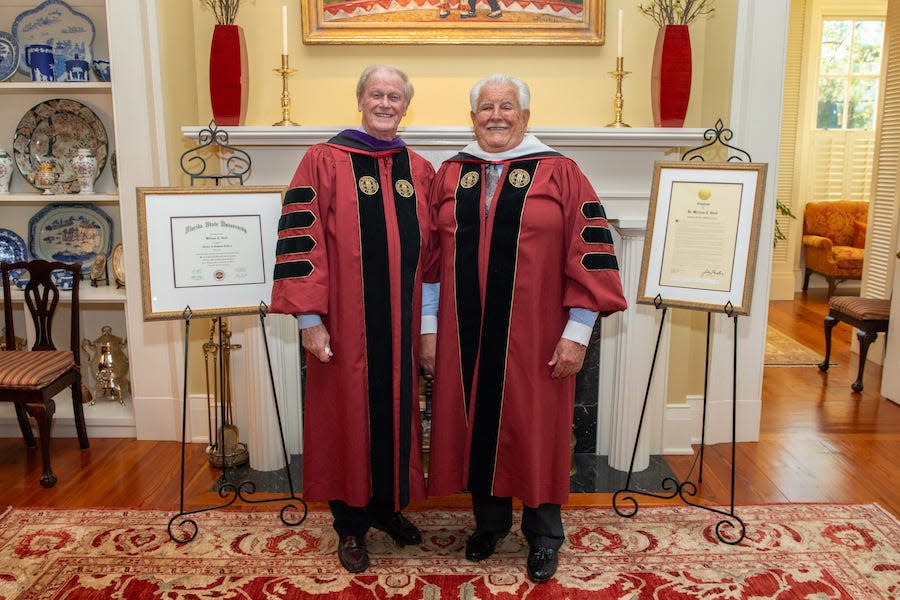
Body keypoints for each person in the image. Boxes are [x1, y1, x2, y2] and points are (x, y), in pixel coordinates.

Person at [422, 74, 627, 584]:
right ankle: (488, 525)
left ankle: (544, 536)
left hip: (536, 336)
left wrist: (578, 332)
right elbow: (428, 261)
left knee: (537, 430)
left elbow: (591, 252)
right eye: (486, 107)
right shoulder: (451, 174)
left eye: (507, 106)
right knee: (474, 425)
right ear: (472, 118)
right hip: (463, 335)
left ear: (525, 116)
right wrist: (429, 328)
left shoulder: (561, 172)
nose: (497, 115)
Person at [270, 65, 435, 574]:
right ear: (360, 99)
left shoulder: (420, 169)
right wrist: (309, 321)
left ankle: (386, 510)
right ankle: (350, 526)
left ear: (406, 106)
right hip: (342, 324)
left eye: (395, 96)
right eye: (376, 94)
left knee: (396, 415)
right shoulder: (323, 160)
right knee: (344, 418)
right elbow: (301, 240)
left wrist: (428, 327)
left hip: (402, 327)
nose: (385, 103)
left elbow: (432, 261)